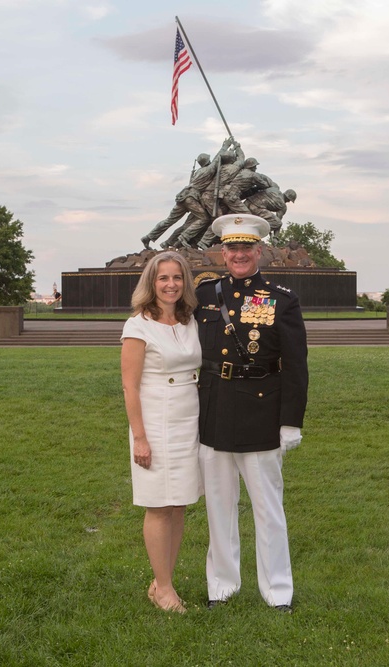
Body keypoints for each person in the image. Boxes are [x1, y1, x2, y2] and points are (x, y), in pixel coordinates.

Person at [194, 213, 308, 613]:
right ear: (221, 252)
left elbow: (296, 365)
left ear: (260, 250)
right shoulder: (204, 296)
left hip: (262, 412)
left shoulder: (282, 299)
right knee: (219, 509)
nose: (239, 254)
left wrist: (290, 421)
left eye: (246, 247)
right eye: (232, 247)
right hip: (215, 413)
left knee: (268, 510)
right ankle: (221, 588)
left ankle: (278, 592)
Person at [120, 251, 203, 613]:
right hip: (155, 421)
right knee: (159, 505)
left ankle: (160, 582)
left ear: (185, 282)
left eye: (177, 277)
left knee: (179, 502)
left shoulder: (189, 321)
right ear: (151, 283)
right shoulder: (137, 326)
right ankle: (166, 590)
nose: (171, 284)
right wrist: (140, 437)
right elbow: (129, 387)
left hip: (189, 419)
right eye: (163, 278)